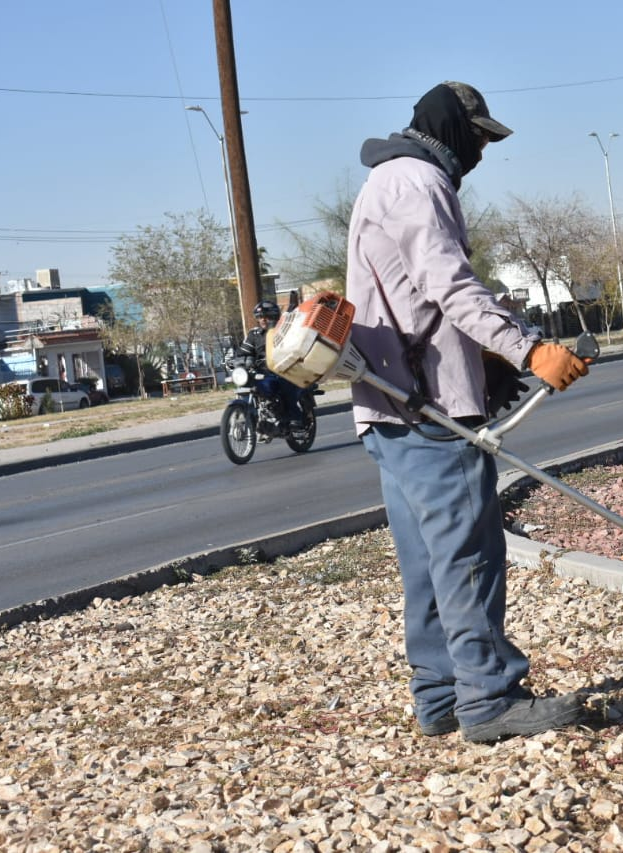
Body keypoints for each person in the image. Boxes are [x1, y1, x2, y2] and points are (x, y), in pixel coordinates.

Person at [345, 81, 590, 743]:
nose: (482, 149)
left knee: (428, 561)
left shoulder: (386, 181)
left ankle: (440, 698)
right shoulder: (420, 184)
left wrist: (491, 360)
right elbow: (449, 286)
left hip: (391, 407)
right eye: (478, 135)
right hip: (429, 409)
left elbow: (416, 295)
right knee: (468, 554)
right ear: (451, 128)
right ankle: (489, 698)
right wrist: (528, 348)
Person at [236, 300, 304, 430]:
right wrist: (235, 360)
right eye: (260, 317)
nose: (263, 320)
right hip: (261, 372)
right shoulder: (254, 334)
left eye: (266, 316)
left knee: (285, 384)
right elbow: (243, 351)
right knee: (245, 384)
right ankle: (251, 414)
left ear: (274, 316)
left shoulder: (284, 330)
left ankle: (295, 417)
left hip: (282, 370)